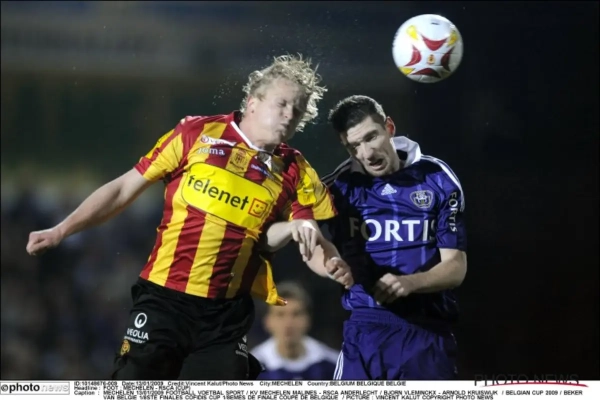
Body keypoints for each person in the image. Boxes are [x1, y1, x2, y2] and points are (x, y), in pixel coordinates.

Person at [25, 54, 351, 380]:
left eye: (297, 110)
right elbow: (124, 188)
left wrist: (334, 266)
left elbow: (309, 238)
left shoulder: (296, 170)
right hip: (164, 299)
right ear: (253, 102)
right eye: (282, 104)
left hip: (225, 316)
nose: (289, 115)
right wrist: (61, 230)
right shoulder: (197, 133)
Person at [314, 95, 467, 379]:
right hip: (365, 330)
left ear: (389, 128)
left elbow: (456, 266)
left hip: (427, 332)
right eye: (353, 146)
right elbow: (308, 236)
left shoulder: (437, 178)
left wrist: (411, 282)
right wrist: (329, 265)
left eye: (371, 137)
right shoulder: (339, 187)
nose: (366, 153)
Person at [252, 281, 339, 380]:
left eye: (296, 314)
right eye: (280, 314)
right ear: (267, 321)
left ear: (308, 320)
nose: (288, 323)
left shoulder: (333, 365)